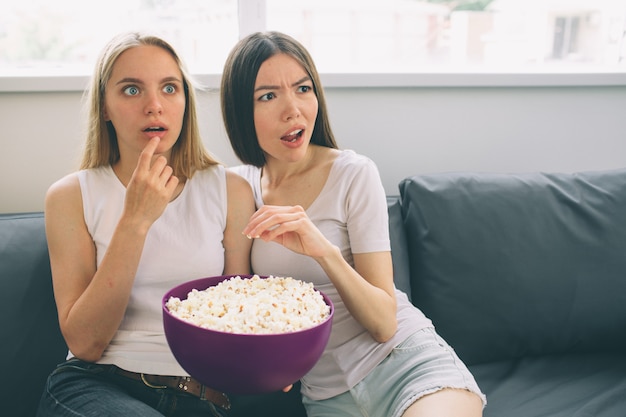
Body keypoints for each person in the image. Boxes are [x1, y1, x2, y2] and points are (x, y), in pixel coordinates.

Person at [221, 31, 487, 417]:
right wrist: (266, 361)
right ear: (241, 110)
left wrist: (322, 249)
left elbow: (383, 323)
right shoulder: (241, 187)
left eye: (302, 88)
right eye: (267, 96)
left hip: (405, 364)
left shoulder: (353, 173)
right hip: (327, 394)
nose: (292, 109)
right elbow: (236, 304)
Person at [36, 32, 256, 417]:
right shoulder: (70, 196)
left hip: (199, 395)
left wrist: (274, 362)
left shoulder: (230, 190)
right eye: (131, 90)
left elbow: (236, 321)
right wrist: (135, 222)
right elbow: (86, 343)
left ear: (185, 101)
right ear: (105, 106)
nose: (154, 106)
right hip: (96, 382)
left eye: (170, 88)